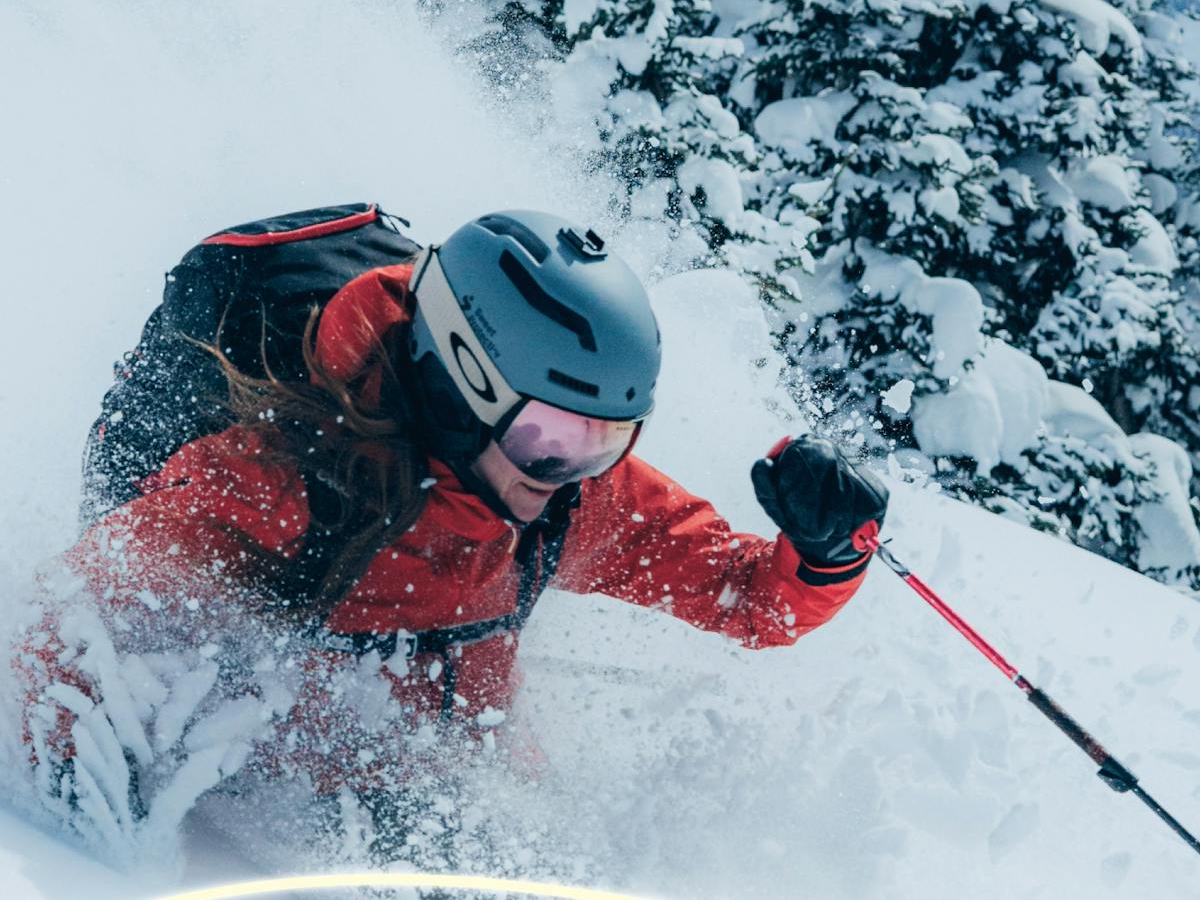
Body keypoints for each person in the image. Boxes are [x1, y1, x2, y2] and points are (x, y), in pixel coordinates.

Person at [19, 202, 888, 847]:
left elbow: (749, 603)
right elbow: (67, 617)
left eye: (606, 441)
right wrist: (76, 779)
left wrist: (823, 551)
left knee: (496, 776)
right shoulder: (276, 484)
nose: (570, 472)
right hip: (276, 681)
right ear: (464, 380)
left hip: (434, 721)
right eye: (550, 436)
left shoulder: (564, 490)